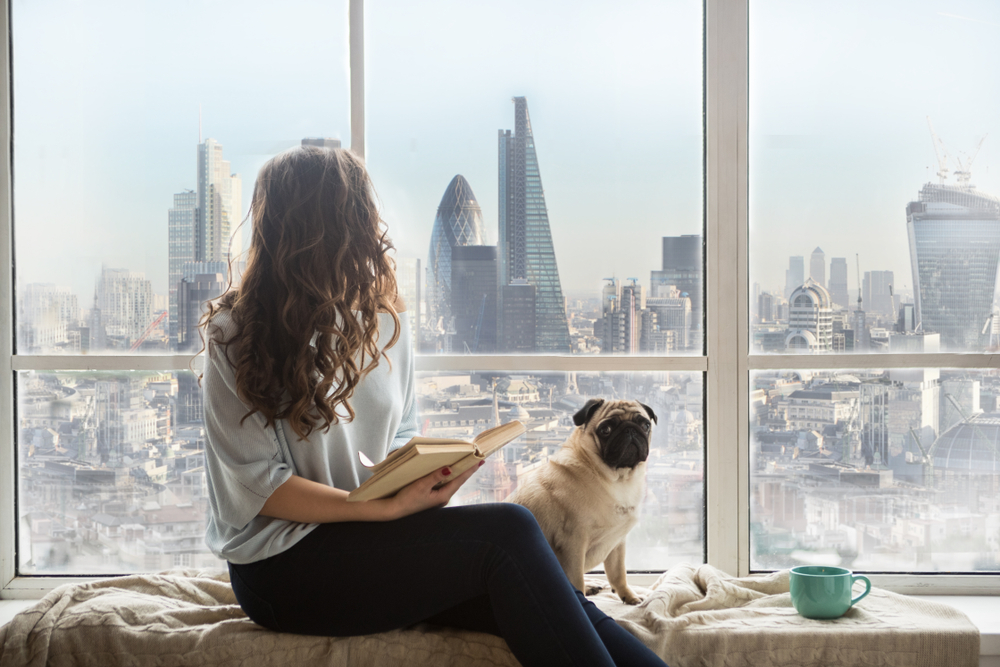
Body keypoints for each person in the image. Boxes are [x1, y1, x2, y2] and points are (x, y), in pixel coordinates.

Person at [200, 145, 667, 667]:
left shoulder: (383, 321)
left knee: (549, 596)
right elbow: (258, 484)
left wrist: (426, 481)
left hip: (377, 537)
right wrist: (377, 509)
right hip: (283, 568)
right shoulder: (235, 334)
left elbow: (403, 434)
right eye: (359, 211)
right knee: (510, 532)